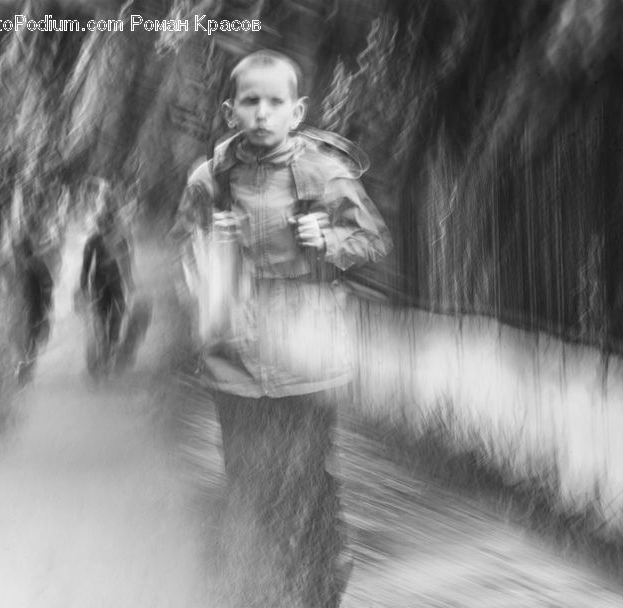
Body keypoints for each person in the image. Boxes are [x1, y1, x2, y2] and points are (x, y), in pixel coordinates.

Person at [169, 50, 391, 607]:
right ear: (230, 110)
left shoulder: (324, 172)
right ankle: (259, 592)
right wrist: (210, 253)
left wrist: (330, 243)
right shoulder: (209, 182)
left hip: (305, 362)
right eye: (250, 101)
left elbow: (372, 242)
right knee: (247, 487)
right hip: (235, 364)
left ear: (297, 111)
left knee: (309, 483)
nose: (262, 113)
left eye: (275, 102)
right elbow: (186, 265)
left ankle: (320, 589)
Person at [79, 187, 135, 378]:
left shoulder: (121, 240)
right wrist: (83, 289)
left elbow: (127, 265)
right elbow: (85, 268)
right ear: (99, 224)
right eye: (103, 224)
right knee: (99, 323)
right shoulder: (92, 242)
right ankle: (100, 357)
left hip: (115, 284)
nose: (106, 228)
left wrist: (130, 283)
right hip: (99, 286)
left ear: (113, 223)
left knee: (117, 317)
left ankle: (110, 350)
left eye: (109, 224)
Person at [13, 232, 54, 385]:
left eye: (18, 248)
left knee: (29, 342)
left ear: (24, 249)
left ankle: (26, 374)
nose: (16, 252)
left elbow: (48, 285)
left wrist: (45, 306)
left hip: (33, 311)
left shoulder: (35, 263)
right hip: (23, 311)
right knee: (24, 342)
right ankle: (24, 373)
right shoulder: (23, 264)